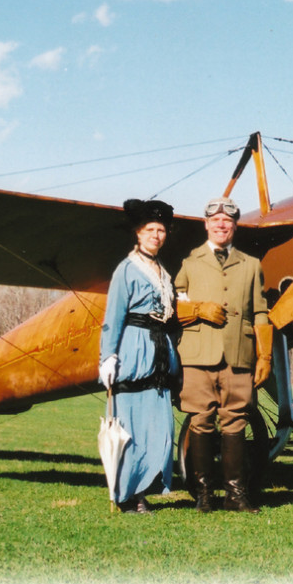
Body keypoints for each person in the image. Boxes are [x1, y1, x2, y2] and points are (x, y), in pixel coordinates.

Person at [174, 196, 273, 513]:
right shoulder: (189, 264)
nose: (221, 225)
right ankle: (203, 495)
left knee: (235, 423)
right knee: (200, 421)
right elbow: (173, 307)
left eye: (227, 221)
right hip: (197, 354)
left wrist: (265, 357)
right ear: (206, 224)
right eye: (215, 220)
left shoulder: (251, 265)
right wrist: (199, 309)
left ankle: (235, 496)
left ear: (234, 226)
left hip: (238, 356)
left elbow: (260, 312)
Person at [98, 198, 181, 514]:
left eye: (161, 230)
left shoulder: (162, 270)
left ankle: (145, 487)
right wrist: (108, 356)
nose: (156, 235)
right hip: (133, 350)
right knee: (130, 424)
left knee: (158, 425)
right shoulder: (126, 269)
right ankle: (129, 495)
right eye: (150, 229)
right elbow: (114, 314)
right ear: (138, 233)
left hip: (159, 351)